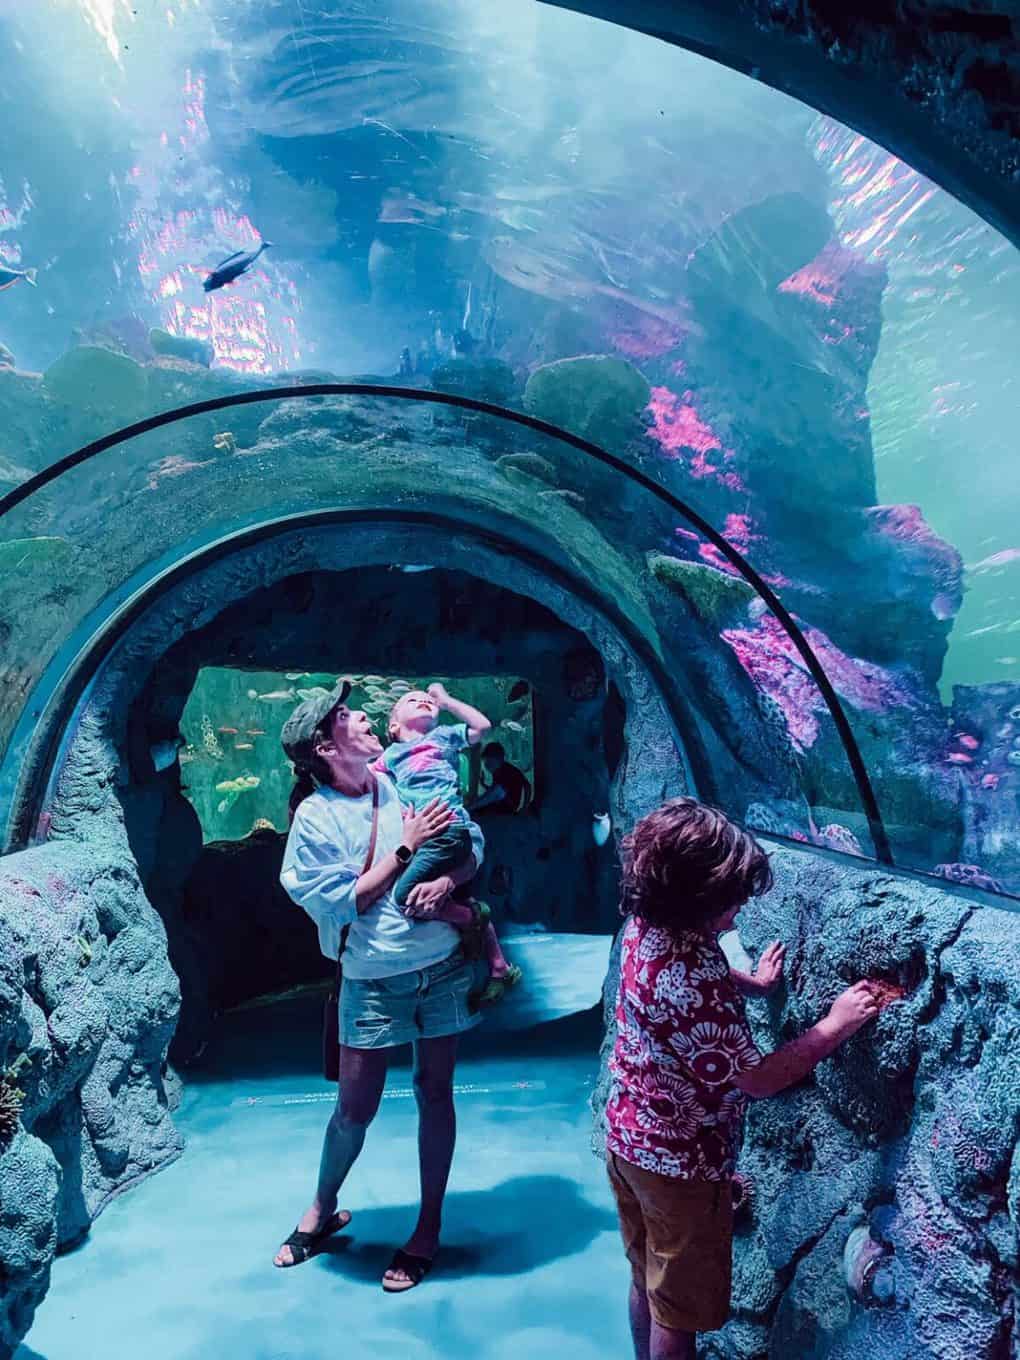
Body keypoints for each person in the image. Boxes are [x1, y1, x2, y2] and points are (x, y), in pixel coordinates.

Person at [605, 797, 880, 1360]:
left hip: (628, 1139)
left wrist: (752, 984)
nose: (737, 914)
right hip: (677, 1162)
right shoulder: (690, 986)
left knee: (648, 1278)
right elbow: (758, 1078)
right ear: (694, 900)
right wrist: (835, 1025)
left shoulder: (646, 924)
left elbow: (698, 957)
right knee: (677, 1312)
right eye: (729, 902)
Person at [272, 680, 486, 1292]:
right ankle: (320, 1207)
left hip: (440, 966)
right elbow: (342, 902)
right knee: (353, 1109)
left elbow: (464, 851)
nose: (363, 716)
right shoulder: (314, 817)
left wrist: (449, 883)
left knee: (435, 1093)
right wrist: (403, 847)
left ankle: (427, 1228)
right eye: (347, 715)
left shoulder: (404, 783)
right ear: (323, 747)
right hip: (371, 977)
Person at [377, 684, 522, 1006]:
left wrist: (446, 700)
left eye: (427, 701)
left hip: (449, 828)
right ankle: (499, 966)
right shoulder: (390, 756)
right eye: (411, 700)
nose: (422, 701)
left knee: (407, 897)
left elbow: (482, 727)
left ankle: (473, 922)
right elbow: (372, 781)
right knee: (459, 895)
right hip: (425, 835)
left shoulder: (442, 737)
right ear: (393, 726)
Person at [471, 741, 530, 816]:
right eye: (486, 763)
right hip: (500, 804)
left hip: (508, 806)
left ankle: (470, 807)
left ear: (499, 758)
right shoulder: (497, 772)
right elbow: (497, 794)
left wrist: (525, 807)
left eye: (489, 762)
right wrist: (484, 785)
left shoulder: (510, 770)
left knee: (497, 790)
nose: (487, 766)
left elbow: (527, 786)